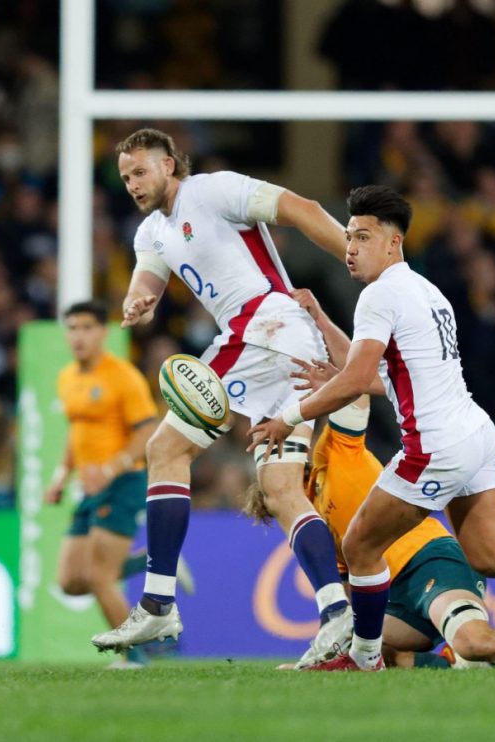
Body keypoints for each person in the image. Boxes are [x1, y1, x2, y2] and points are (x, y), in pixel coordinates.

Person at [250, 187, 495, 672]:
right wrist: (324, 332)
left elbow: (358, 380)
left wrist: (289, 417)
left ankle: (362, 657)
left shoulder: (378, 295)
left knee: (359, 545)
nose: (351, 248)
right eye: (350, 237)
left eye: (363, 237)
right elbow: (390, 378)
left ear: (394, 243)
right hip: (475, 434)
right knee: (491, 553)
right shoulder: (427, 291)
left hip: (435, 447)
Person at [91, 128, 356, 669]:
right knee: (280, 488)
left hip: (265, 327)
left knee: (165, 450)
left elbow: (302, 209)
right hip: (279, 344)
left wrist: (357, 259)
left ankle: (158, 602)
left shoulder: (213, 190)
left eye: (140, 171)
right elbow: (148, 281)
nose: (132, 184)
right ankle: (337, 612)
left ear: (169, 164)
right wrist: (138, 301)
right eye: (125, 177)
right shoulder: (151, 232)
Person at [246, 394, 495, 670]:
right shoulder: (314, 532)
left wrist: (305, 402)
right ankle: (448, 662)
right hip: (396, 599)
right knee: (370, 647)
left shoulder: (331, 453)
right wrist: (322, 657)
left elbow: (353, 391)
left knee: (476, 641)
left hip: (432, 561)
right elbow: (350, 598)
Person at [44, 299, 161, 669]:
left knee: (97, 577)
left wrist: (110, 469)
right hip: (89, 487)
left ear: (103, 333)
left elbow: (147, 430)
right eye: (72, 328)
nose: (78, 336)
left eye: (87, 328)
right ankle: (146, 561)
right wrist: (61, 475)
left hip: (122, 482)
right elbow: (76, 432)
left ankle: (135, 654)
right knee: (70, 581)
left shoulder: (123, 376)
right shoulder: (67, 377)